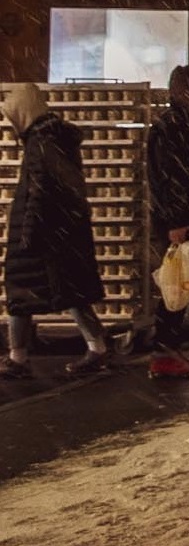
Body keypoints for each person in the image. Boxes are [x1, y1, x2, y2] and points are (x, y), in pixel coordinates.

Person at [2, 84, 108, 379]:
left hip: (44, 233)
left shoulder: (40, 142)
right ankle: (96, 347)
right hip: (64, 230)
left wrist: (27, 234)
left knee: (21, 291)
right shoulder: (55, 138)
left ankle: (19, 357)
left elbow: (38, 191)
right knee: (70, 291)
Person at [145, 65, 189, 379]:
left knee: (179, 284)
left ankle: (167, 349)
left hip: (185, 216)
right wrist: (177, 220)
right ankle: (164, 350)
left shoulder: (179, 124)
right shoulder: (176, 127)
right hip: (181, 221)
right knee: (175, 286)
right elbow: (171, 178)